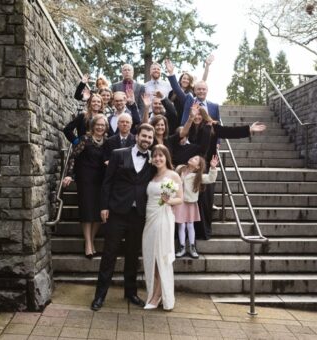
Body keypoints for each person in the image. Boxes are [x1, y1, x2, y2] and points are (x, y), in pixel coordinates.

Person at [91, 124, 157, 311]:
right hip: (117, 211)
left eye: (150, 138)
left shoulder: (153, 159)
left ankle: (131, 292)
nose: (146, 140)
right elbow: (107, 182)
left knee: (132, 255)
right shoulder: (118, 154)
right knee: (109, 255)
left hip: (138, 214)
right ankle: (100, 296)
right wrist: (104, 206)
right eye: (144, 136)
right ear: (137, 137)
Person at [178, 103, 267, 239]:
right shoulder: (188, 128)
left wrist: (249, 129)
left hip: (207, 167)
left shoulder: (212, 127)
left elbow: (229, 131)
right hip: (191, 168)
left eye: (199, 114)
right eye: (194, 114)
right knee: (188, 201)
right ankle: (184, 235)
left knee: (205, 200)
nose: (197, 117)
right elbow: (180, 138)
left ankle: (203, 233)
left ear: (203, 115)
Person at [62, 115, 109, 259]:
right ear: (93, 126)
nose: (100, 127)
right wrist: (70, 174)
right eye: (98, 125)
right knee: (87, 212)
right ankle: (88, 244)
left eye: (103, 125)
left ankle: (92, 240)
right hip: (85, 180)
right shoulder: (85, 140)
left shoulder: (107, 142)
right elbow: (73, 157)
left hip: (101, 180)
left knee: (98, 213)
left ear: (106, 127)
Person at [142, 144, 183, 310]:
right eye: (155, 156)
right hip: (149, 218)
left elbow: (180, 199)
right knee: (151, 256)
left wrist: (168, 201)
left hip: (163, 217)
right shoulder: (151, 176)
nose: (158, 158)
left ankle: (159, 295)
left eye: (161, 155)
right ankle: (154, 292)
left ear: (166, 157)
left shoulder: (173, 175)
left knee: (161, 257)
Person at [174, 155, 220, 258]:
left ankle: (192, 246)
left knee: (190, 225)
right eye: (193, 157)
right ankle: (181, 247)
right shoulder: (180, 168)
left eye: (195, 159)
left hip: (190, 203)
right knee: (181, 225)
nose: (192, 158)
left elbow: (210, 179)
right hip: (180, 202)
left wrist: (213, 168)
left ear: (198, 167)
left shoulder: (197, 176)